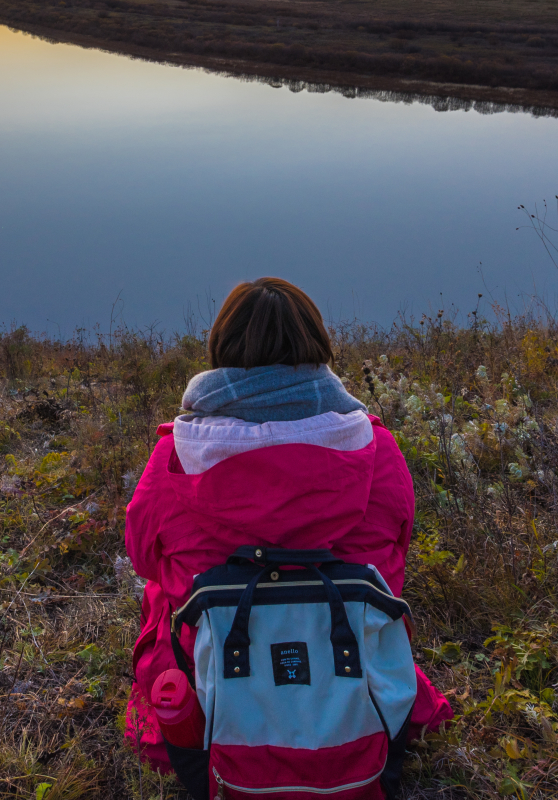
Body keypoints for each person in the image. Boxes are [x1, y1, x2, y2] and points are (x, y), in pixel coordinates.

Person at [122, 277, 453, 796]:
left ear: (223, 354)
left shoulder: (174, 459)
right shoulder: (377, 449)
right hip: (353, 671)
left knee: (162, 589)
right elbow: (394, 559)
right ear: (317, 348)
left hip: (213, 694)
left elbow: (143, 555)